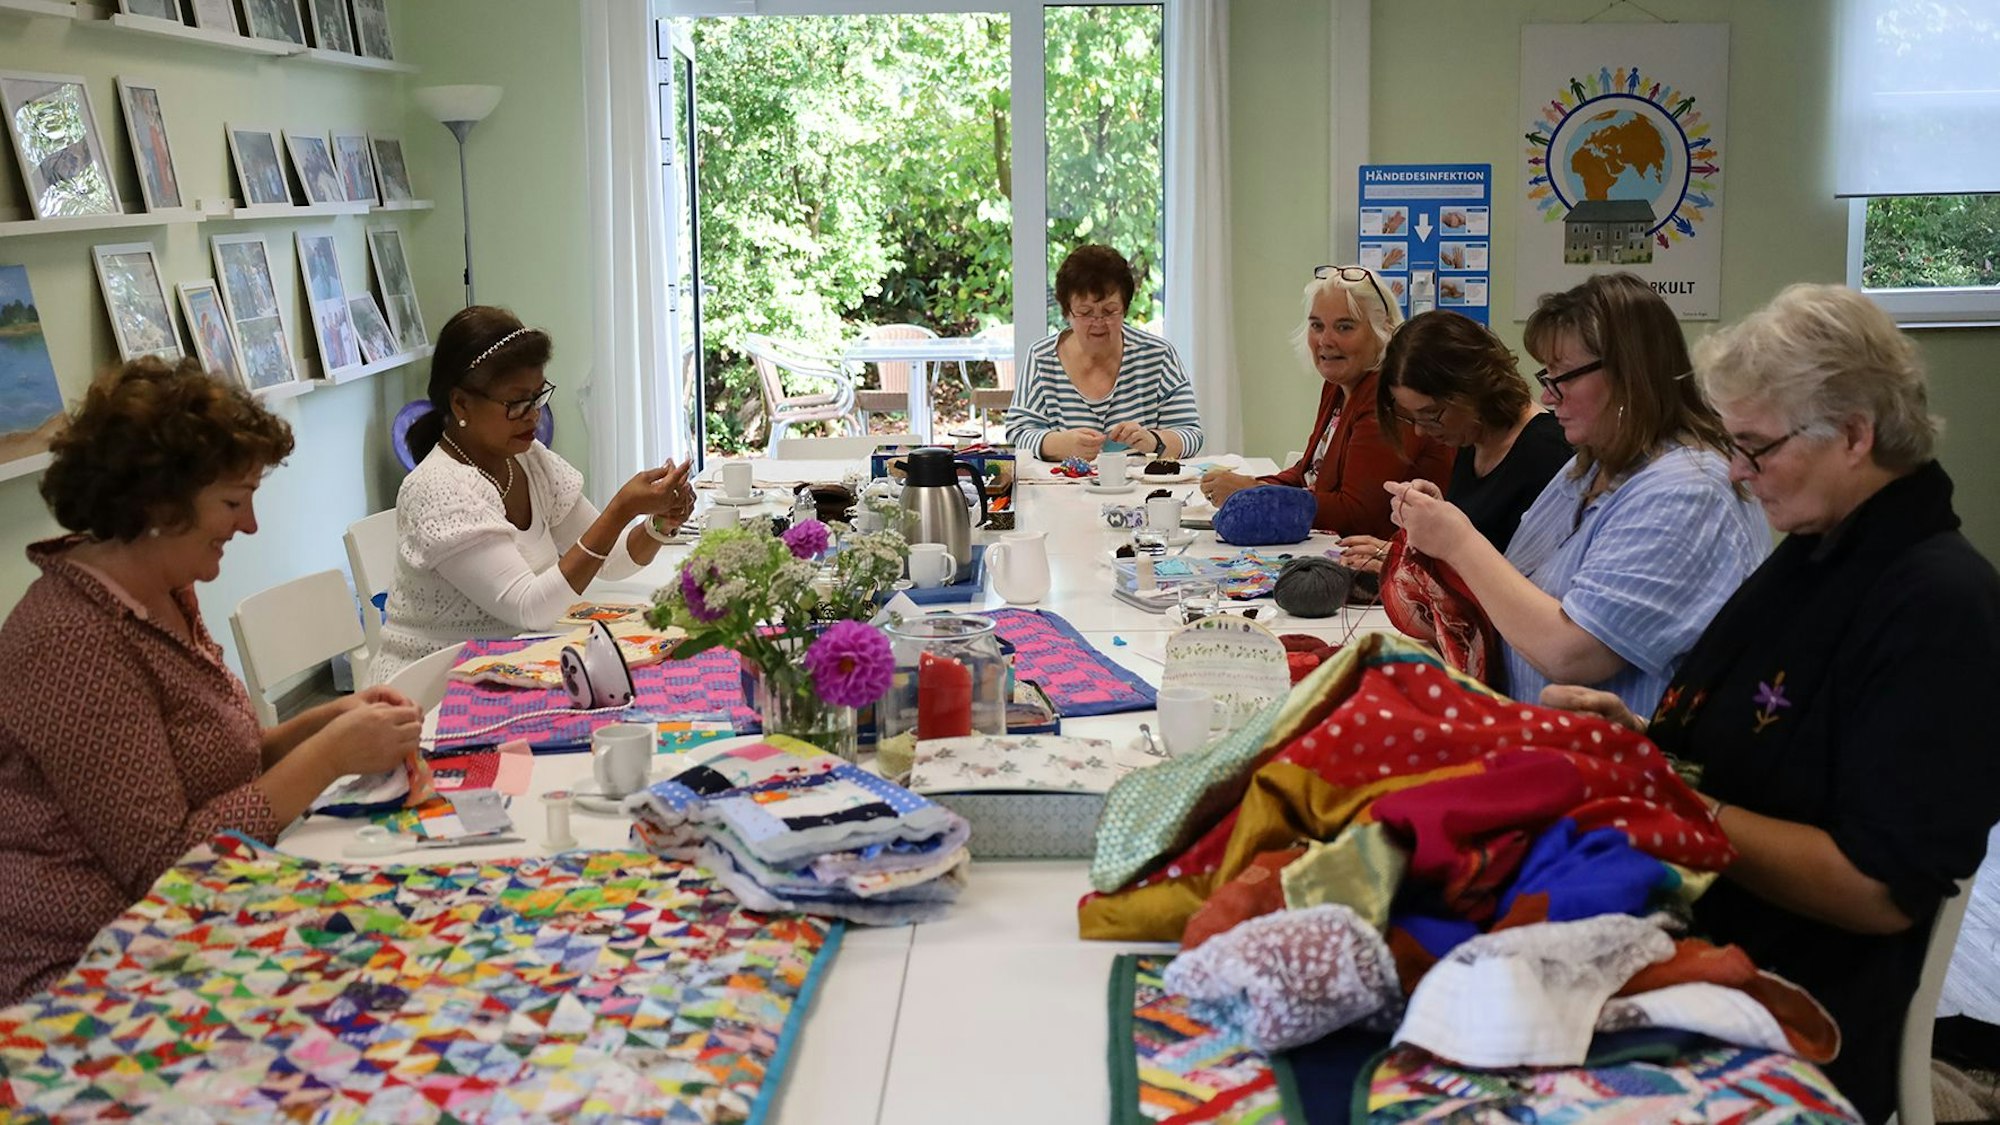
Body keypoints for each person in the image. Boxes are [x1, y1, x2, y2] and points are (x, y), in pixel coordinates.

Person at [1542, 284, 2000, 1123]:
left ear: (1855, 435)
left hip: (1789, 999)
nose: (1735, 472)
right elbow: (1762, 749)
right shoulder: (1820, 549)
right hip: (1706, 934)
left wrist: (1679, 800)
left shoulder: (1938, 605)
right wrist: (1642, 740)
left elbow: (1877, 888)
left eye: (1754, 448)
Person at [0, 358, 424, 1004]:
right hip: (89, 975)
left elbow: (227, 759)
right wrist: (332, 754)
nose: (249, 525)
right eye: (232, 501)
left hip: (194, 919)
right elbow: (164, 864)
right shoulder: (72, 641)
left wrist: (335, 717)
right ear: (158, 502)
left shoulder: (161, 592)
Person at [1385, 272, 1767, 715]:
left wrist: (1457, 539)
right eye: (1547, 376)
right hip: (1553, 748)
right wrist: (1440, 527)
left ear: (1629, 373)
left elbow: (1572, 653)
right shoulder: (1590, 468)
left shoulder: (1690, 493)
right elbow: (1518, 588)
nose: (1548, 397)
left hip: (1622, 772)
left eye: (1563, 376)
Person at [370, 307, 697, 685]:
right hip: (428, 693)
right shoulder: (439, 489)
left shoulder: (527, 460)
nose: (534, 417)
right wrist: (621, 509)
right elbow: (530, 607)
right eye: (517, 403)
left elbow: (614, 560)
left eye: (537, 397)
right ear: (461, 404)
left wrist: (659, 522)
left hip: (506, 671)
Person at [1200, 265, 1451, 537]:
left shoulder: (1388, 397)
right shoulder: (1337, 385)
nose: (1325, 340)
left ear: (1383, 330)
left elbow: (1356, 513)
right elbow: (1308, 474)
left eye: (1345, 327)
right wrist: (1251, 485)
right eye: (1317, 326)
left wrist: (1252, 492)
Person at [1337, 310, 1572, 571]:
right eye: (1412, 418)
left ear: (1473, 388)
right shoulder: (1473, 440)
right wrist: (1423, 537)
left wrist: (1409, 569)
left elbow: (1522, 584)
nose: (1421, 432)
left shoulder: (1549, 455)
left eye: (1431, 415)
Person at [1004, 244, 1204, 461]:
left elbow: (1191, 434)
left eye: (1109, 311)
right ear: (1067, 312)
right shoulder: (1042, 357)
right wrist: (1060, 444)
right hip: (1062, 491)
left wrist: (1153, 441)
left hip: (1143, 492)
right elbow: (1017, 433)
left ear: (1125, 308)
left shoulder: (1157, 356)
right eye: (1085, 312)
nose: (1098, 322)